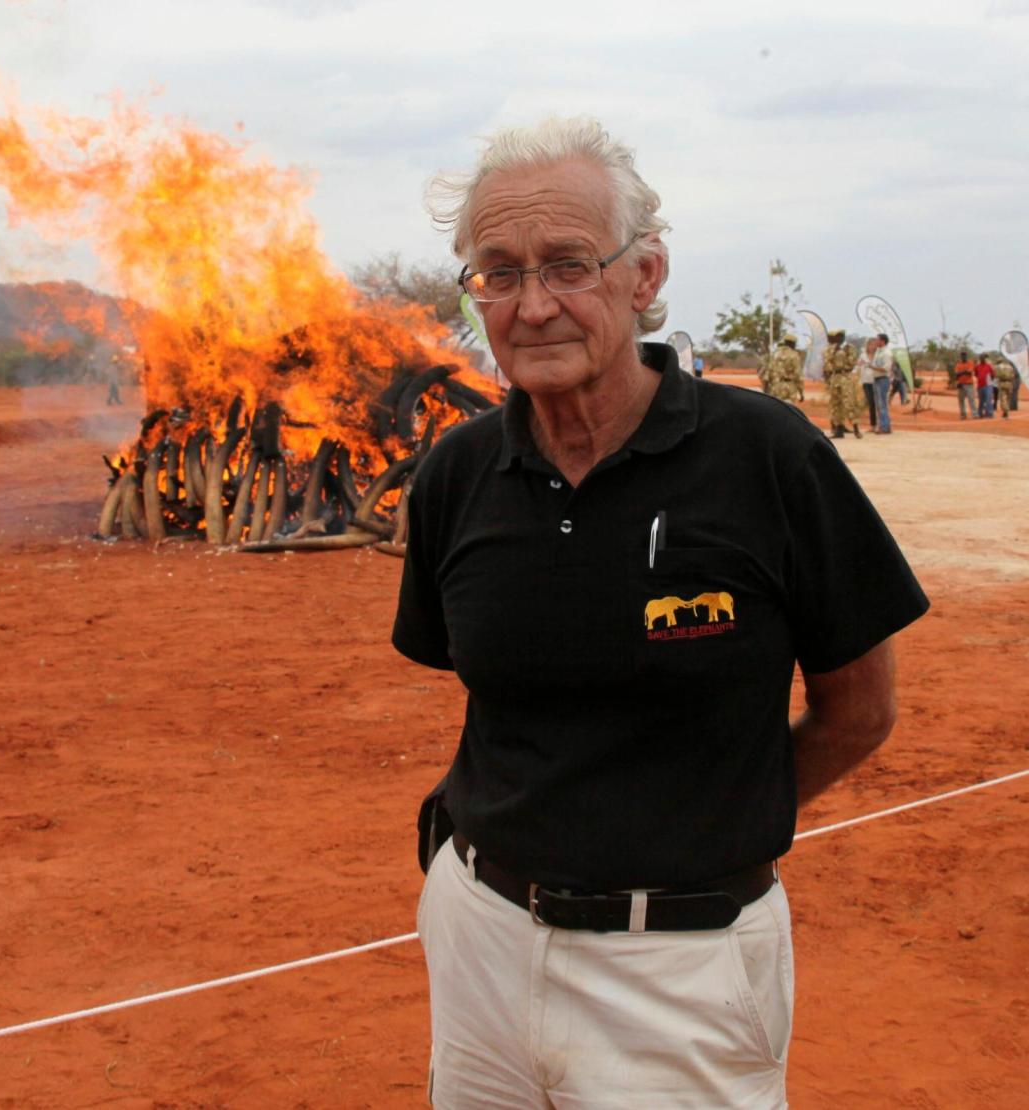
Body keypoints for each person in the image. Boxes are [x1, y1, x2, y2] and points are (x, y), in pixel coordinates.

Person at [394, 117, 929, 1106]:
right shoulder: (457, 476)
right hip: (480, 942)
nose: (533, 305)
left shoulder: (768, 457)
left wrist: (705, 828)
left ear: (643, 275)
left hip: (682, 967)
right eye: (498, 273)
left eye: (567, 265)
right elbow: (494, 701)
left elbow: (860, 711)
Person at [824, 327, 863, 439]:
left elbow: (852, 363)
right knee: (836, 404)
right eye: (837, 337)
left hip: (845, 377)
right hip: (835, 377)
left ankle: (856, 428)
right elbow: (827, 361)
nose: (838, 339)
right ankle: (838, 429)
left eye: (840, 337)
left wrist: (845, 354)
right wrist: (834, 352)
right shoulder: (831, 349)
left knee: (849, 403)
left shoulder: (850, 348)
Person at [763, 334, 804, 403]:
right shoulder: (794, 355)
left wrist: (765, 391)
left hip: (775, 388)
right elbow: (798, 376)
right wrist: (801, 392)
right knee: (788, 408)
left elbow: (767, 375)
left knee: (776, 407)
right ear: (792, 343)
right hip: (789, 389)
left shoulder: (775, 354)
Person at [868, 333, 894, 434]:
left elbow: (885, 368)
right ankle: (883, 425)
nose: (876, 341)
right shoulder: (878, 352)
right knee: (879, 404)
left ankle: (885, 426)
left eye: (877, 340)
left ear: (882, 341)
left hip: (883, 379)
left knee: (882, 404)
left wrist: (872, 367)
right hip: (877, 379)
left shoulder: (887, 353)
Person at [953, 350, 978, 419]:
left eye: (964, 355)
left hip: (969, 384)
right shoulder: (958, 364)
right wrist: (964, 372)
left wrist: (961, 373)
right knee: (961, 400)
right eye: (962, 355)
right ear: (961, 356)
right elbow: (956, 374)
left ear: (966, 356)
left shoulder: (970, 363)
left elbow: (969, 372)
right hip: (961, 384)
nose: (963, 357)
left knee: (971, 399)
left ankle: (975, 414)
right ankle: (963, 414)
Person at [975, 352, 995, 418]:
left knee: (988, 399)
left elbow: (993, 375)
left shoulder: (989, 366)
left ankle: (989, 413)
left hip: (988, 385)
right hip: (980, 385)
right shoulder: (977, 366)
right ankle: (980, 413)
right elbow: (976, 374)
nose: (982, 359)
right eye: (981, 358)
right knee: (981, 400)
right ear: (980, 359)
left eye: (983, 358)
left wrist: (990, 381)